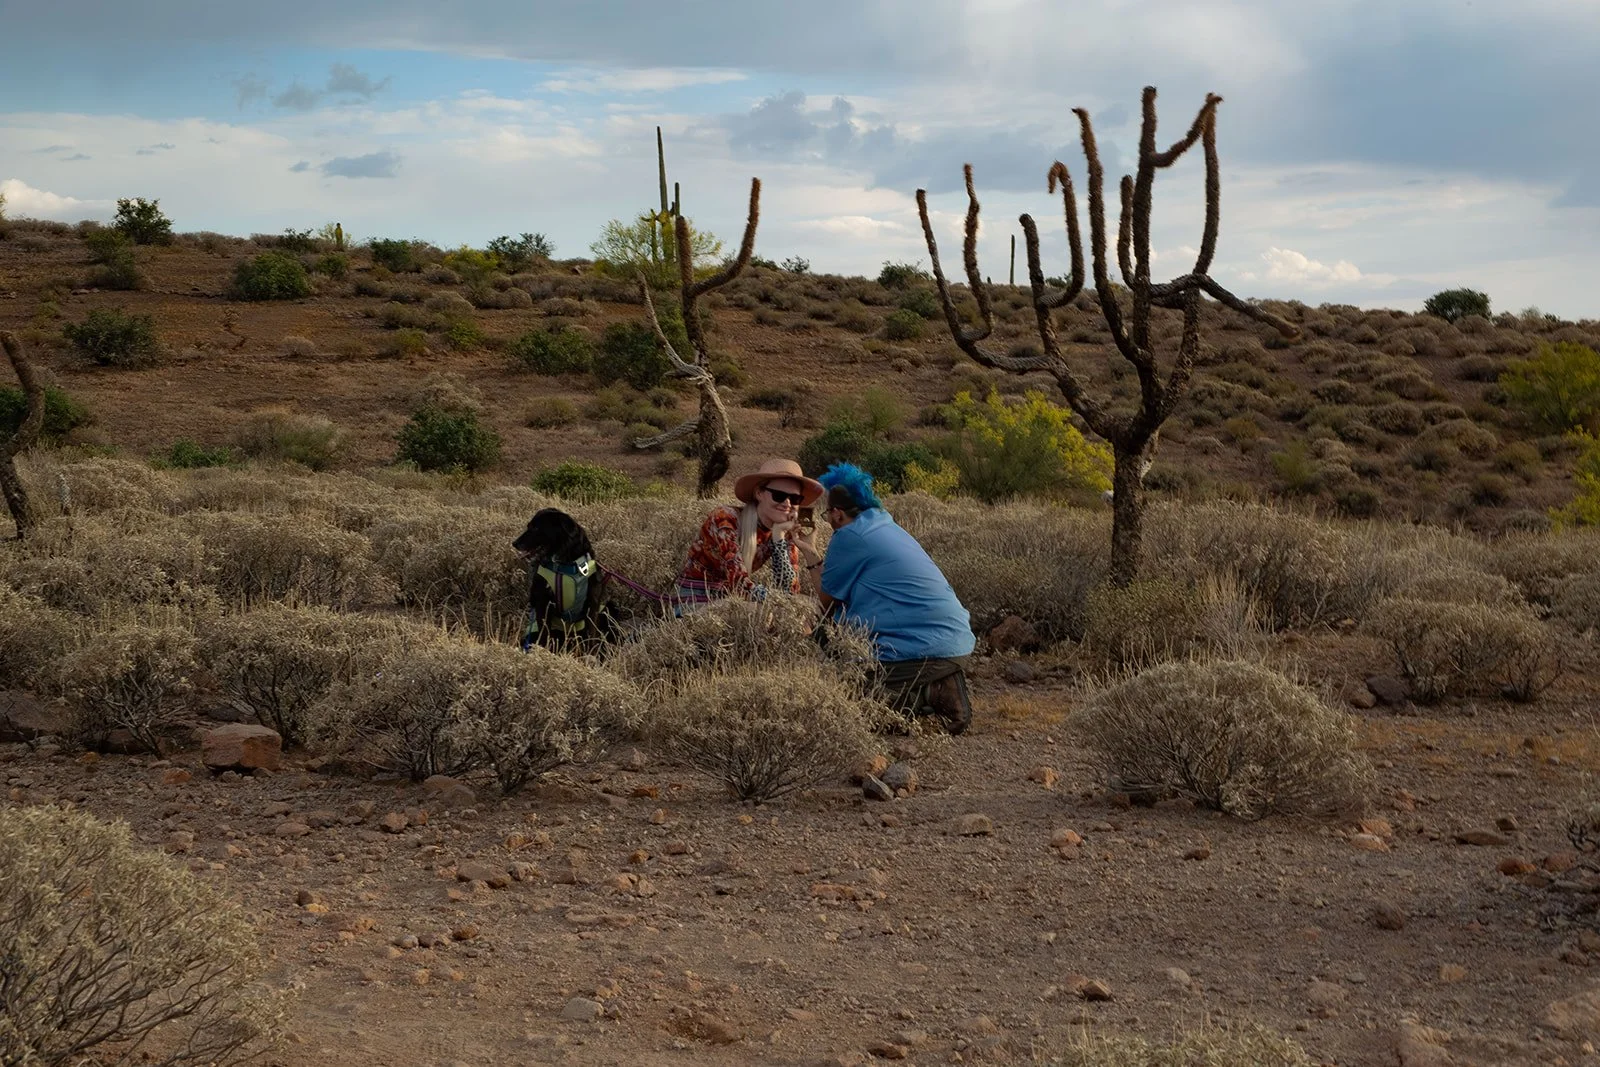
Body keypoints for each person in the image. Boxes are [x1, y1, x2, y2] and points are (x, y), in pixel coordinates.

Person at [796, 462, 977, 734]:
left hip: (924, 648)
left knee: (843, 702)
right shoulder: (884, 525)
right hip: (954, 640)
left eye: (827, 515)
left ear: (836, 513)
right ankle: (938, 682)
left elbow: (827, 602)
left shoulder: (848, 536)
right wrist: (811, 550)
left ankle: (932, 693)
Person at [674, 457, 825, 608]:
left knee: (810, 608)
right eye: (778, 496)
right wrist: (780, 601)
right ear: (759, 493)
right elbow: (739, 584)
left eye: (795, 498)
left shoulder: (784, 531)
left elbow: (790, 589)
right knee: (768, 612)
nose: (787, 503)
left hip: (731, 599)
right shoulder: (726, 518)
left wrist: (779, 537)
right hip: (696, 598)